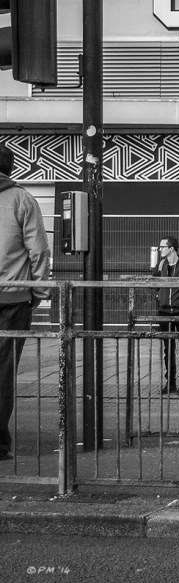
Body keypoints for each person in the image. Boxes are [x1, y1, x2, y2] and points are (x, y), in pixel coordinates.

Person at [0, 144, 51, 461]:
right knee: (3, 372)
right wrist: (39, 294)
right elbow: (39, 252)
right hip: (13, 298)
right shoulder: (23, 200)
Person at [152, 236, 179, 395]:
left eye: (162, 246)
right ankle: (170, 382)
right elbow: (154, 285)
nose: (160, 249)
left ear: (171, 248)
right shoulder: (161, 265)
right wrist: (160, 297)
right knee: (168, 349)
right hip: (164, 312)